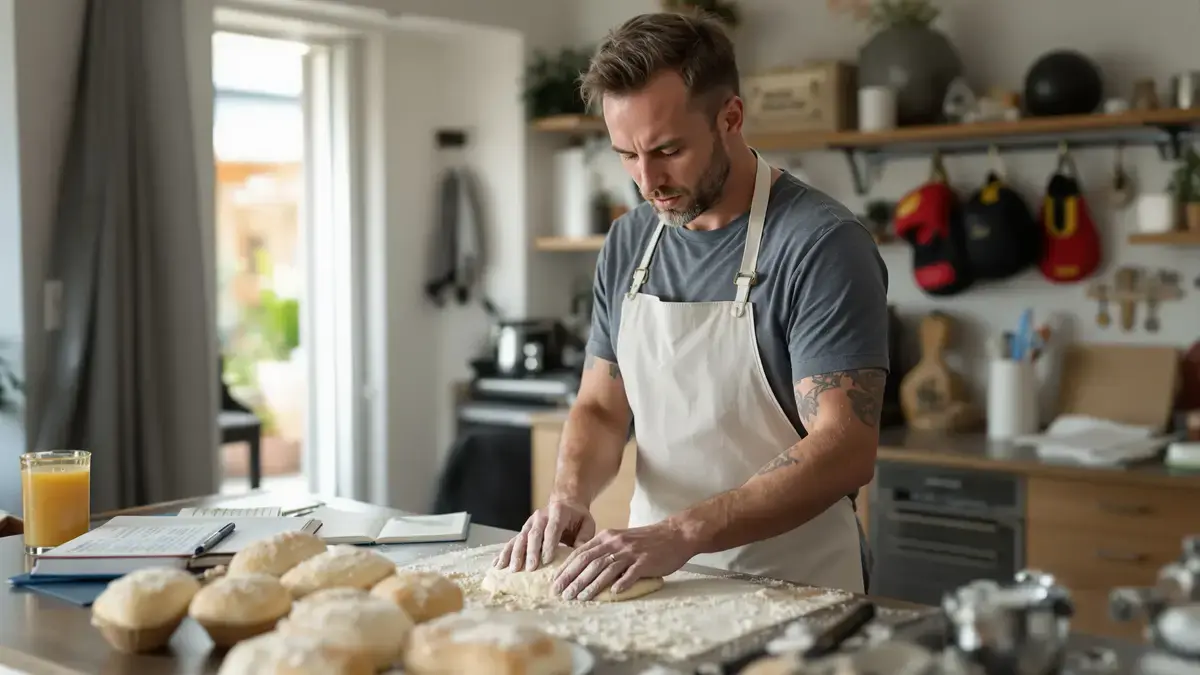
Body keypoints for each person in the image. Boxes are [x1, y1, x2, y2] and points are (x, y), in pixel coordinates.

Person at [494, 11, 889, 600]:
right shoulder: (630, 240)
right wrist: (570, 495)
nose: (647, 181)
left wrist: (683, 532)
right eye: (626, 154)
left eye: (668, 150)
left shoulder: (820, 244)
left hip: (796, 586)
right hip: (655, 577)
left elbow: (845, 448)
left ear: (730, 117)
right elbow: (602, 408)